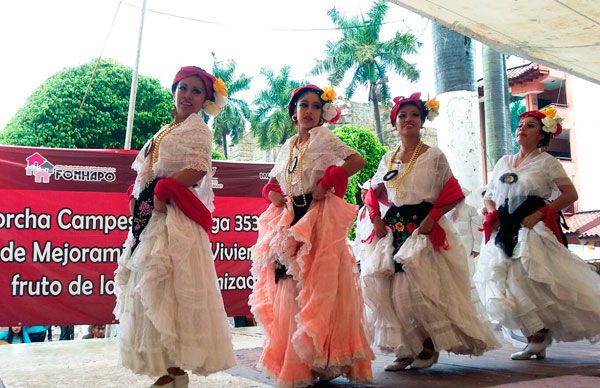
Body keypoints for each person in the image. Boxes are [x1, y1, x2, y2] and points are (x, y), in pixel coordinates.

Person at [114, 66, 236, 387]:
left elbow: (197, 168)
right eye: (183, 88)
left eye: (197, 91)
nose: (188, 95)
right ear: (174, 90)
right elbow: (145, 168)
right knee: (151, 292)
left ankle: (176, 373)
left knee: (171, 290)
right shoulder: (163, 131)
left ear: (205, 100)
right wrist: (138, 192)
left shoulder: (199, 130)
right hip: (150, 217)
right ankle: (170, 374)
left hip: (176, 218)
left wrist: (164, 188)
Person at [361, 92, 499, 372]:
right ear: (395, 122)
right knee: (394, 291)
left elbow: (452, 192)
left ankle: (426, 345)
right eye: (402, 115)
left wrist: (433, 217)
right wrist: (375, 217)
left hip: (424, 227)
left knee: (420, 289)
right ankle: (405, 348)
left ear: (422, 121)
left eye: (414, 115)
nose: (407, 120)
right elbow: (372, 192)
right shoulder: (387, 159)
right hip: (394, 227)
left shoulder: (434, 155)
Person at [249, 84, 373, 387]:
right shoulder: (288, 144)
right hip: (289, 218)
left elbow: (356, 161)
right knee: (289, 286)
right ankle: (300, 361)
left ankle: (318, 359)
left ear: (323, 114)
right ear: (294, 112)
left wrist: (330, 180)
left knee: (318, 286)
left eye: (316, 106)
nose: (309, 111)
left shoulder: (324, 138)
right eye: (303, 105)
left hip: (317, 220)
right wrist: (272, 193)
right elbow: (278, 180)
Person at [474, 107, 600, 360]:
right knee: (505, 283)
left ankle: (541, 335)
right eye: (521, 124)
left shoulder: (547, 162)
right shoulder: (504, 162)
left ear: (542, 135)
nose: (522, 128)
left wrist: (543, 212)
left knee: (531, 278)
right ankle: (535, 337)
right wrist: (492, 214)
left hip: (531, 225)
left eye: (530, 125)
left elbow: (570, 194)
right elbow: (488, 195)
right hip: (504, 226)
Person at [445, 188, 483, 276]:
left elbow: (477, 229)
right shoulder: (448, 212)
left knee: (468, 266)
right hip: (452, 243)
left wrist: (476, 247)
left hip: (467, 244)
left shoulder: (470, 210)